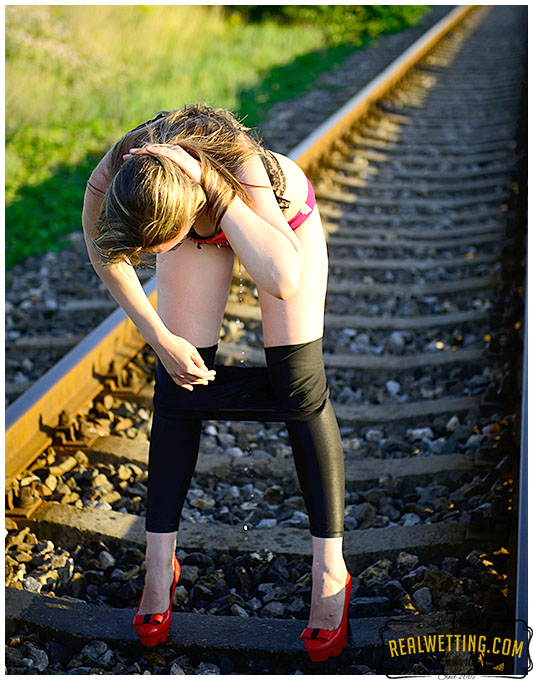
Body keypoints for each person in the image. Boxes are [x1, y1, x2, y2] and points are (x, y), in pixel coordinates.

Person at [82, 104, 351, 662]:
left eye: (160, 248)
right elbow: (103, 248)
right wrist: (159, 337)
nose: (152, 261)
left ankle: (331, 571)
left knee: (297, 388)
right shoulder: (118, 173)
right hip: (189, 211)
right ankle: (159, 567)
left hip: (268, 217)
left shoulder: (238, 161)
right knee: (178, 389)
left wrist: (216, 189)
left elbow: (283, 277)